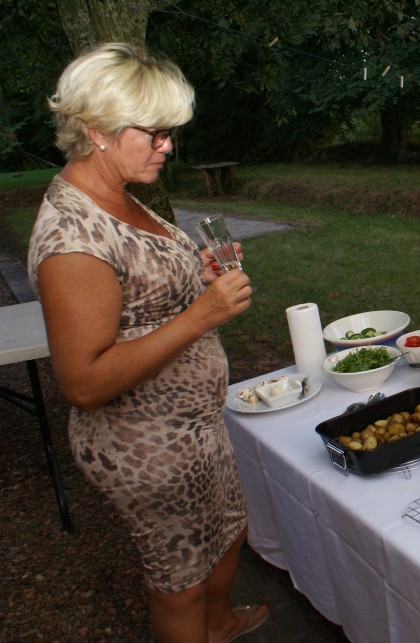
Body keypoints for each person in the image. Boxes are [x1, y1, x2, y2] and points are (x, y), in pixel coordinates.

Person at [27, 43, 266, 642]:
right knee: (179, 579)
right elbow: (82, 382)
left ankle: (218, 627)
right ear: (95, 130)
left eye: (170, 133)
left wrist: (197, 280)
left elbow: (138, 299)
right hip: (145, 445)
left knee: (229, 531)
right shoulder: (71, 239)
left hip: (194, 424)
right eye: (154, 133)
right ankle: (199, 626)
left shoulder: (119, 190)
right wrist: (202, 316)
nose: (167, 146)